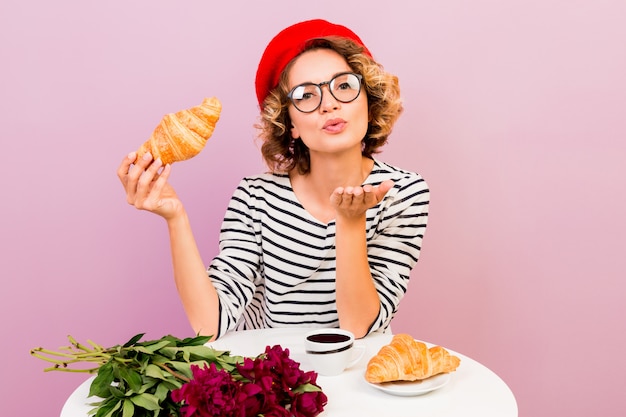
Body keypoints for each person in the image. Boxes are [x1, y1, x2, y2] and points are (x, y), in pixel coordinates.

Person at [117, 19, 429, 340]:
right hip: (275, 379)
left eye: (344, 85)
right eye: (306, 95)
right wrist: (175, 216)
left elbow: (357, 326)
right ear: (289, 123)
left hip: (359, 375)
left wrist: (350, 223)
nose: (330, 103)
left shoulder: (404, 193)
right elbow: (209, 326)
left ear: (368, 99)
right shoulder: (255, 198)